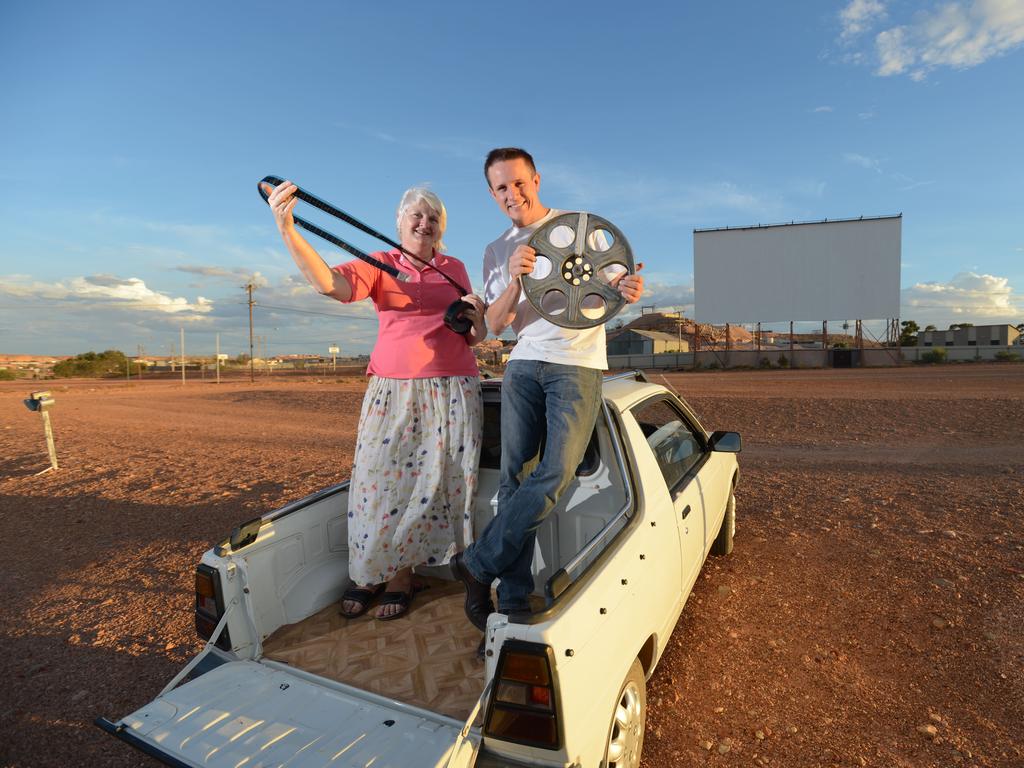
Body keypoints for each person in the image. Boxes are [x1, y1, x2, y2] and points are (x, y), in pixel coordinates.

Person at [266, 180, 487, 620]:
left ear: (442, 226)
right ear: (400, 222)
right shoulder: (380, 263)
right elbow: (330, 285)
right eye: (416, 216)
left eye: (433, 217)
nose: (425, 223)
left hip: (453, 387)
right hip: (394, 389)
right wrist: (288, 228)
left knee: (434, 485)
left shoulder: (455, 268)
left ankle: (403, 575)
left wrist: (477, 320)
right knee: (377, 482)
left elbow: (475, 336)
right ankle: (370, 570)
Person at [452, 148, 644, 630]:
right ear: (491, 194)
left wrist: (631, 291)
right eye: (501, 187)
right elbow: (495, 326)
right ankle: (513, 599)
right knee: (515, 480)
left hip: (575, 364)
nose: (512, 194)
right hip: (523, 365)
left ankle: (478, 563)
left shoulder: (578, 229)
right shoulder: (497, 251)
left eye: (519, 183)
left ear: (535, 180)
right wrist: (514, 279)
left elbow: (613, 288)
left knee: (556, 471)